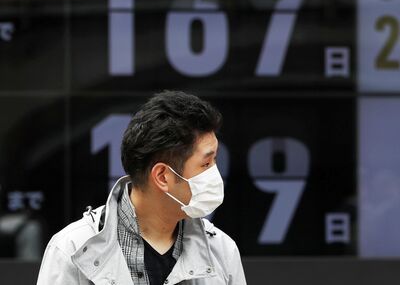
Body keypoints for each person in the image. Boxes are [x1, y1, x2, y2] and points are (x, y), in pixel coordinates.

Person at [37, 91, 246, 285]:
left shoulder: (222, 250)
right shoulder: (71, 250)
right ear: (163, 177)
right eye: (206, 164)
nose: (215, 174)